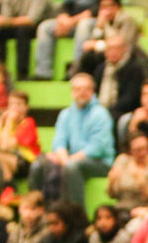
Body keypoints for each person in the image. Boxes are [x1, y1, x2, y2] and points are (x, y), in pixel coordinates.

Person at [29, 73, 115, 207]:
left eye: (86, 89)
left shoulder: (100, 114)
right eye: (77, 89)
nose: (82, 92)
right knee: (38, 165)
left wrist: (68, 160)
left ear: (92, 92)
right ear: (71, 92)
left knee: (71, 167)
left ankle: (76, 215)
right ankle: (37, 210)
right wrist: (64, 158)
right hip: (71, 159)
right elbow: (59, 141)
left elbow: (98, 147)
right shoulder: (66, 114)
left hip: (100, 162)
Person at [107, 131, 148, 216]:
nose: (142, 152)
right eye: (138, 150)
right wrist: (111, 182)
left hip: (142, 209)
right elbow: (112, 195)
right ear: (130, 151)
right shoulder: (122, 160)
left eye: (145, 148)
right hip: (120, 207)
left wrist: (141, 182)